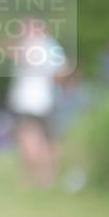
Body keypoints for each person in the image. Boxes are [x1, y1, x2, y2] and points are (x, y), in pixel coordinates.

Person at [6, 17, 70, 187]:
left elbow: (6, 50)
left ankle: (28, 179)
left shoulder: (25, 44)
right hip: (44, 99)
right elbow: (62, 71)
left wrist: (20, 36)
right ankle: (45, 179)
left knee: (28, 139)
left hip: (25, 100)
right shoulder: (50, 45)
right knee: (46, 140)